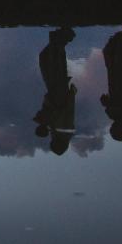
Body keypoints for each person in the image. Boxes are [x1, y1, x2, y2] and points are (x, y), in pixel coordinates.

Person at [34, 27, 76, 155]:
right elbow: (59, 112)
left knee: (50, 60)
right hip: (58, 93)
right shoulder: (62, 131)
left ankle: (60, 38)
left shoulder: (61, 132)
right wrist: (44, 121)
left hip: (57, 92)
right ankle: (61, 37)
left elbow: (54, 114)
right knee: (52, 62)